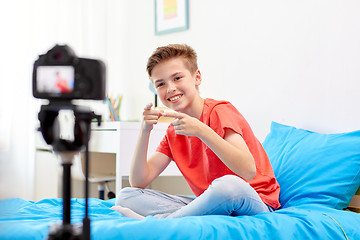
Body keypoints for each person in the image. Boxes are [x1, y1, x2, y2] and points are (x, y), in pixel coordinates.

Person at [111, 44, 281, 219]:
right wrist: (144, 130)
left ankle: (162, 222)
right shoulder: (174, 131)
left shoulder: (220, 111)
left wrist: (201, 130)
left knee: (228, 186)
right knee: (126, 196)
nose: (170, 88)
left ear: (197, 77)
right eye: (161, 84)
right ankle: (179, 218)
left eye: (177, 78)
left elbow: (247, 170)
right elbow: (139, 181)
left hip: (254, 200)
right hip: (214, 203)